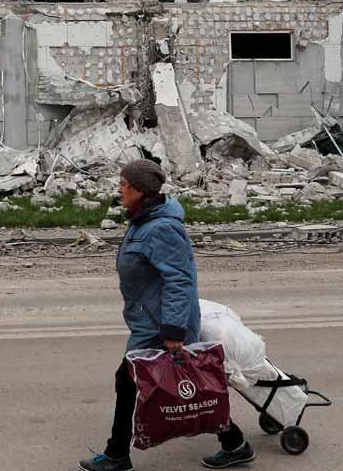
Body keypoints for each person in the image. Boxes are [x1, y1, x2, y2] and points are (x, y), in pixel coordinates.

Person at [79, 159, 255, 471]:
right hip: (151, 319)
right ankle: (235, 444)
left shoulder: (161, 228)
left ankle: (117, 455)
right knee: (192, 385)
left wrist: (173, 331)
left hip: (161, 324)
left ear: (139, 190)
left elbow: (179, 280)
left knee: (129, 380)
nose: (119, 189)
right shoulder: (143, 220)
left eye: (124, 185)